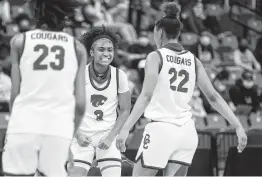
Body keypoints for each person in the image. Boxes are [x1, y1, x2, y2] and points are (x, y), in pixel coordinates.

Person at [116, 1, 247, 176]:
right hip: (186, 133)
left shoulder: (155, 57)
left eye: (155, 33)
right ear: (178, 34)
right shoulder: (193, 60)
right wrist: (238, 125)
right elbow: (213, 97)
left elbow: (146, 95)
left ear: (160, 33)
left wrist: (126, 128)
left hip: (161, 130)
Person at [2, 0, 87, 176]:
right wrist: (68, 138)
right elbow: (80, 105)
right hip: (58, 127)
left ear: (37, 15)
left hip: (24, 123)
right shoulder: (77, 48)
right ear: (65, 18)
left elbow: (15, 94)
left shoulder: (19, 41)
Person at [68, 26, 131, 177]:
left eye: (110, 50)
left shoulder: (119, 75)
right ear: (91, 52)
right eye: (101, 49)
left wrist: (111, 137)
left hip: (107, 138)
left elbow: (125, 110)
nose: (106, 53)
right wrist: (77, 135)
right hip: (82, 138)